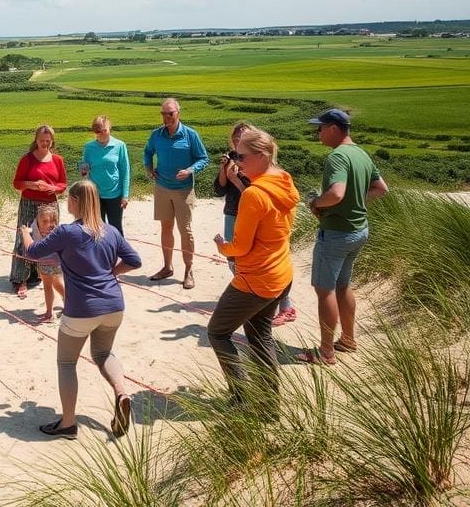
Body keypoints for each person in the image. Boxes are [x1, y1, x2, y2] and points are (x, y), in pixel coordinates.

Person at [19, 180, 142, 440]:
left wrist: (25, 232)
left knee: (66, 363)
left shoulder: (67, 231)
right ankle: (122, 392)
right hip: (114, 305)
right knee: (103, 353)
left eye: (70, 199)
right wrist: (112, 272)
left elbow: (33, 253)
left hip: (82, 309)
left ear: (75, 202)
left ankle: (67, 423)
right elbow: (135, 261)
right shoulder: (110, 231)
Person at [210, 128, 298, 419]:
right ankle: (269, 408)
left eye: (242, 156)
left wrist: (223, 247)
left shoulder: (254, 195)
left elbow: (240, 247)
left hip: (254, 279)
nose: (237, 161)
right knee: (261, 336)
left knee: (217, 332)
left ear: (262, 156)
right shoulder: (283, 180)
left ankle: (241, 398)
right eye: (234, 154)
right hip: (280, 273)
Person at [299, 108, 389, 365]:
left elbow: (337, 193)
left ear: (334, 129)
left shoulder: (337, 157)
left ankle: (326, 352)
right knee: (342, 285)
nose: (317, 133)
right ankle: (348, 339)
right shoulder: (361, 153)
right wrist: (357, 202)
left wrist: (316, 202)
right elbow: (381, 188)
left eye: (320, 128)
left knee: (324, 289)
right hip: (359, 230)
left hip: (337, 232)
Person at [143, 97, 209, 290]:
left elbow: (203, 159)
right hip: (162, 188)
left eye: (170, 113)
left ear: (178, 113)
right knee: (165, 228)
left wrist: (190, 170)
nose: (166, 118)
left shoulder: (190, 135)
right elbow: (148, 151)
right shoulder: (157, 135)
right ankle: (167, 267)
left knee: (185, 230)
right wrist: (149, 167)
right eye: (163, 114)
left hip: (184, 191)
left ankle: (189, 271)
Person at [10, 125, 67, 299]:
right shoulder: (27, 159)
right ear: (36, 140)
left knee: (50, 240)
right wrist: (30, 184)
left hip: (50, 205)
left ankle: (47, 273)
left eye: (48, 141)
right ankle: (21, 279)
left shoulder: (57, 160)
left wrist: (53, 188)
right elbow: (17, 183)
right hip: (29, 202)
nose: (45, 144)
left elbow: (63, 184)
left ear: (52, 141)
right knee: (24, 238)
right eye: (42, 141)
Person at [79, 115, 130, 236]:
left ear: (110, 128)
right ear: (94, 132)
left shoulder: (120, 145)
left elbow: (125, 170)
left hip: (115, 194)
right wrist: (83, 170)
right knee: (96, 228)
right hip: (95, 194)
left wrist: (125, 195)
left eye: (104, 130)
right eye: (98, 131)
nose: (102, 134)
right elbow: (83, 169)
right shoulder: (89, 147)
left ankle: (116, 254)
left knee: (116, 229)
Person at [29, 203, 65, 324]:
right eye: (45, 221)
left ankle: (49, 313)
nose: (50, 224)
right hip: (50, 263)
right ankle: (69, 303)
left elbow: (29, 246)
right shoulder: (36, 229)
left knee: (48, 287)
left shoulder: (55, 232)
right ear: (38, 222)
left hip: (51, 264)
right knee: (56, 283)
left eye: (53, 221)